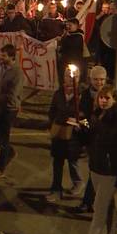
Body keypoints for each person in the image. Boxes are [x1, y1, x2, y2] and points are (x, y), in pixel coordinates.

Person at [85, 85, 117, 234]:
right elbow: (91, 141)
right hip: (96, 168)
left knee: (99, 211)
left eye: (107, 98)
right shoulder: (96, 115)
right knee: (106, 208)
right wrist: (81, 130)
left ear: (115, 99)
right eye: (101, 97)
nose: (103, 101)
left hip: (109, 172)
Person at [46, 67, 85, 202]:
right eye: (67, 76)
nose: (70, 78)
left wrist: (80, 122)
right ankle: (56, 189)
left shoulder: (82, 95)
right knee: (57, 162)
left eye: (74, 76)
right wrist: (53, 122)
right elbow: (52, 111)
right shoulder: (59, 93)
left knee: (73, 161)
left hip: (73, 135)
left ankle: (78, 182)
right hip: (59, 133)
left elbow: (87, 117)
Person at [74, 65, 107, 213]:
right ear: (90, 80)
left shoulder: (110, 94)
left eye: (102, 79)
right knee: (95, 171)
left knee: (97, 172)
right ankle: (90, 201)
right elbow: (82, 117)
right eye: (96, 79)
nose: (99, 82)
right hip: (91, 138)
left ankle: (90, 201)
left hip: (105, 139)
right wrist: (87, 126)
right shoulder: (86, 95)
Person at [0, 44, 23, 177]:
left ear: (11, 57)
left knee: (3, 138)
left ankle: (1, 167)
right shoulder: (2, 66)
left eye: (4, 56)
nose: (1, 57)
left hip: (9, 108)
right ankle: (10, 152)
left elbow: (13, 93)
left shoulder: (17, 72)